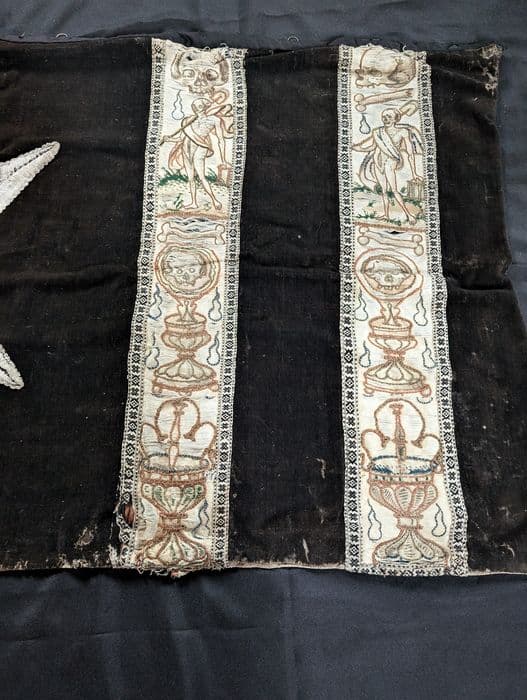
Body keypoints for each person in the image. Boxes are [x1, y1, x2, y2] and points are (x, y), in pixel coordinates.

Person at [353, 106, 423, 225]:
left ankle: (409, 215)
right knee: (384, 191)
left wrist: (414, 173)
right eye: (384, 117)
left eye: (389, 116)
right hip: (378, 161)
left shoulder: (403, 132)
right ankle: (386, 214)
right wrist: (358, 148)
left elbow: (410, 154)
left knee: (394, 190)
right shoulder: (377, 132)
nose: (386, 119)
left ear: (396, 119)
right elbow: (373, 146)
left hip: (391, 161)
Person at [163, 97, 230, 211]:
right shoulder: (188, 120)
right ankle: (194, 203)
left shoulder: (214, 120)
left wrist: (223, 159)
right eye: (194, 106)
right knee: (190, 178)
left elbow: (221, 140)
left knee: (201, 176)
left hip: (200, 147)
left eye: (198, 106)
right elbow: (181, 138)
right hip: (186, 147)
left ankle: (215, 200)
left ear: (205, 106)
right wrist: (169, 139)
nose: (196, 108)